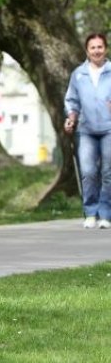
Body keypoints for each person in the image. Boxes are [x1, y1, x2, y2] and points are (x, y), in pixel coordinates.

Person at [64, 32, 111, 229]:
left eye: (100, 47)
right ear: (87, 50)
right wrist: (71, 119)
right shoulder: (79, 74)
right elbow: (72, 101)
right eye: (93, 47)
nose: (97, 51)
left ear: (105, 49)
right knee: (89, 172)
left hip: (109, 128)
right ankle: (91, 212)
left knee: (108, 172)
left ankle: (106, 214)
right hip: (86, 129)